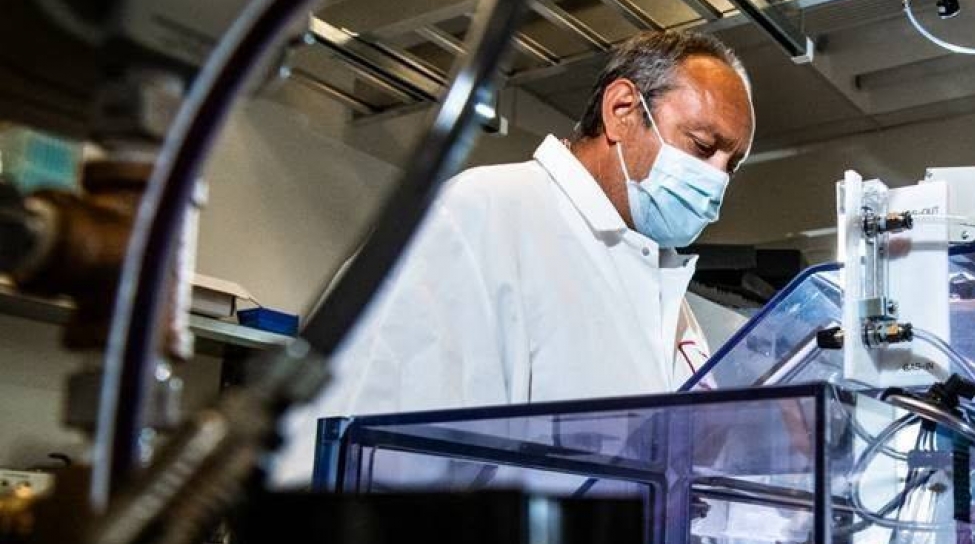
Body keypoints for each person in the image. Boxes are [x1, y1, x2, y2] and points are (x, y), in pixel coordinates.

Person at [273, 31, 755, 485]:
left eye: (730, 166)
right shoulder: (480, 216)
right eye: (702, 146)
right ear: (622, 110)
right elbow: (375, 458)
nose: (717, 181)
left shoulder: (664, 289)